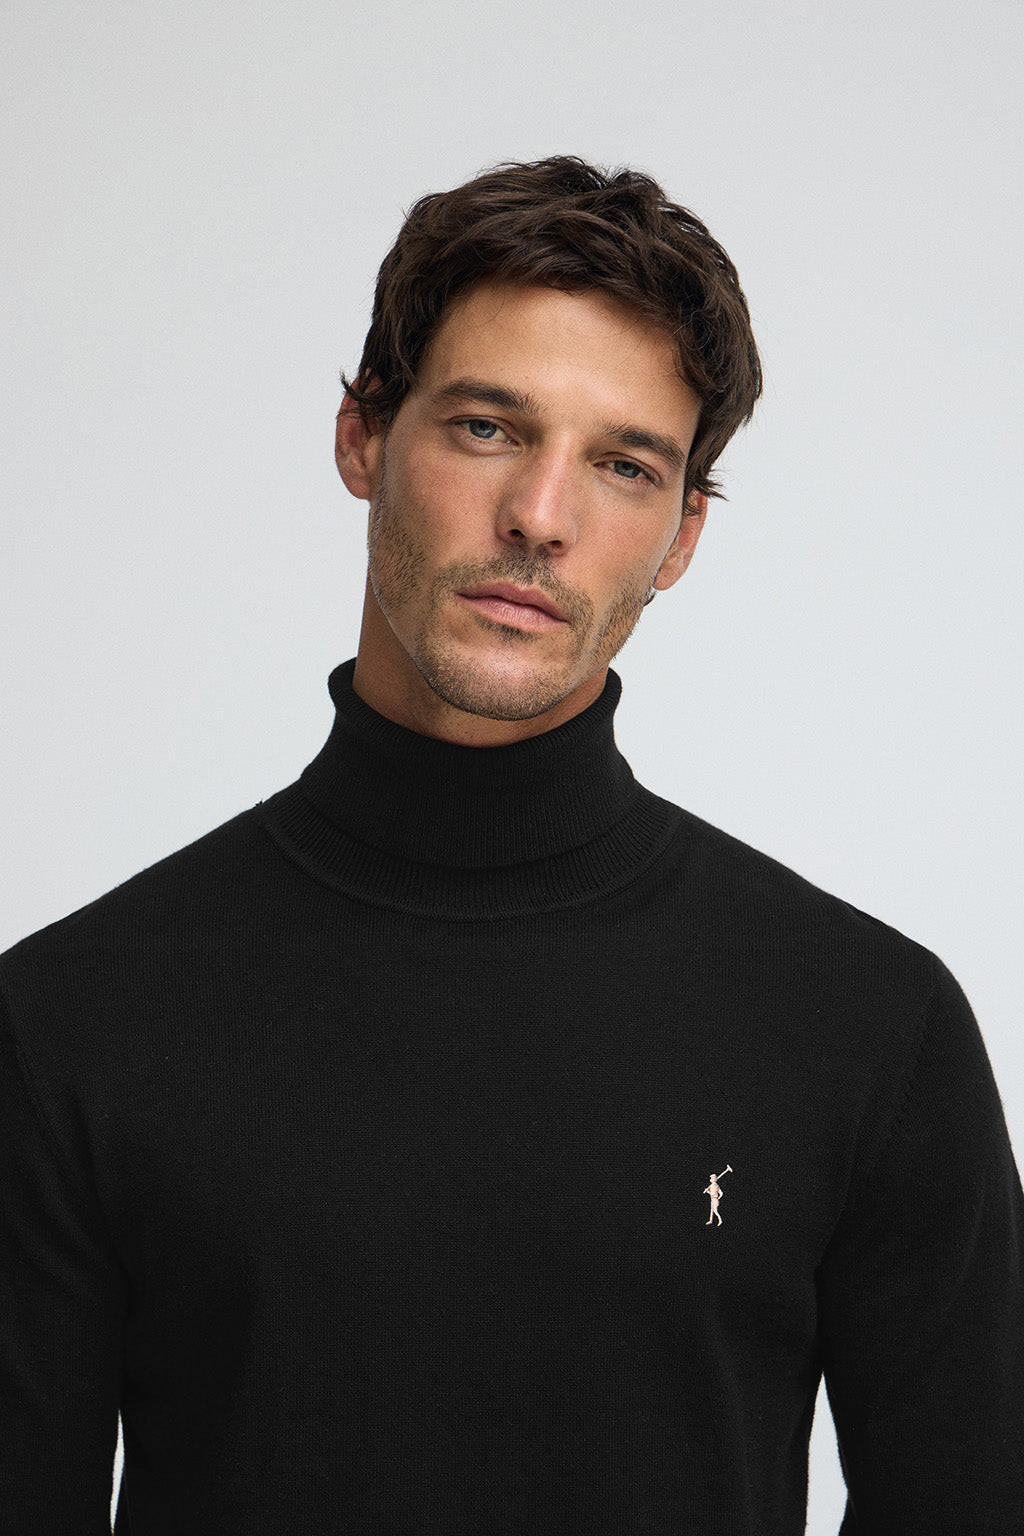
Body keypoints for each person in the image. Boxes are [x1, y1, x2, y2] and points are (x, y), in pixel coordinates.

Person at [1, 156, 1020, 1535]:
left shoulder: (870, 1032)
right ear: (365, 435)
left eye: (623, 464)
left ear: (680, 536)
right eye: (488, 427)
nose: (541, 517)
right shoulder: (71, 1024)